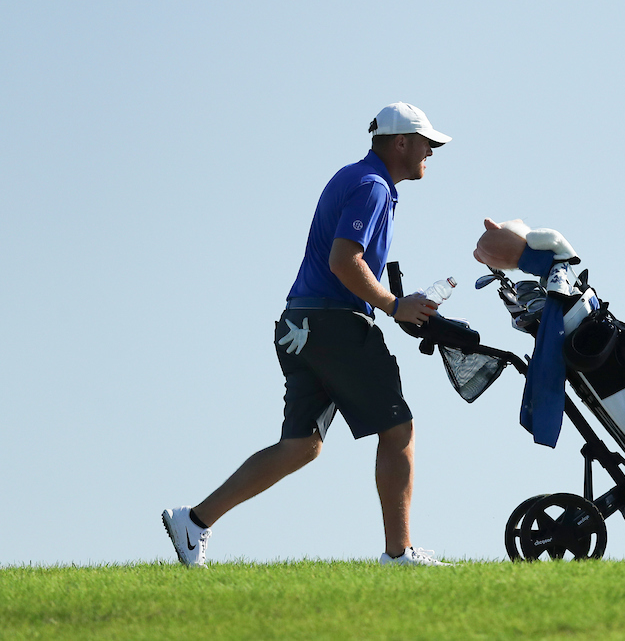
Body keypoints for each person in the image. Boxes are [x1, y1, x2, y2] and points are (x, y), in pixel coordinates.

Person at [163, 102, 453, 568]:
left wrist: (392, 302)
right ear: (401, 142)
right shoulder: (373, 186)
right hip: (334, 323)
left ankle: (194, 520)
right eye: (427, 143)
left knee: (302, 445)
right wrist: (394, 305)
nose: (432, 152)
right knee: (398, 426)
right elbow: (344, 261)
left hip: (299, 324)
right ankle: (399, 554)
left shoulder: (356, 178)